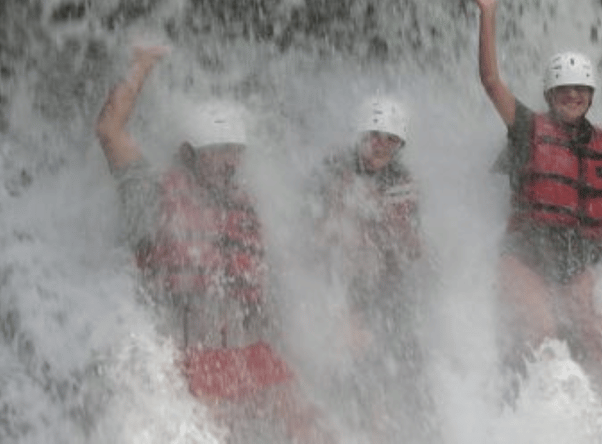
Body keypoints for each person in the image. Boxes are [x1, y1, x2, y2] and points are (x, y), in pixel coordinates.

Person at [96, 44, 334, 444]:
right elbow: (109, 130)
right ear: (190, 153)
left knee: (310, 429)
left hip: (248, 347)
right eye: (218, 153)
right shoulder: (153, 196)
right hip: (190, 350)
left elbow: (263, 290)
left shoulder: (243, 205)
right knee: (220, 426)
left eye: (234, 153)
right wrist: (142, 63)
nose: (229, 163)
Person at [466, 0, 602, 407]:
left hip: (574, 263)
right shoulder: (526, 128)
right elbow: (490, 81)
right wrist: (488, 13)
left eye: (580, 90)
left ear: (591, 95)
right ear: (549, 94)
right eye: (564, 90)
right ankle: (528, 419)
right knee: (544, 332)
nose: (573, 96)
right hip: (524, 257)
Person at [312, 95, 435, 443]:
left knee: (410, 357)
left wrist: (392, 223)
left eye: (391, 140)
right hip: (339, 284)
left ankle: (418, 428)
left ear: (400, 145)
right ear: (360, 135)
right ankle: (362, 426)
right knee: (360, 348)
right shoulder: (334, 170)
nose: (381, 145)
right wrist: (346, 211)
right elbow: (316, 238)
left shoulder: (404, 181)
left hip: (387, 284)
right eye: (374, 136)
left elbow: (413, 250)